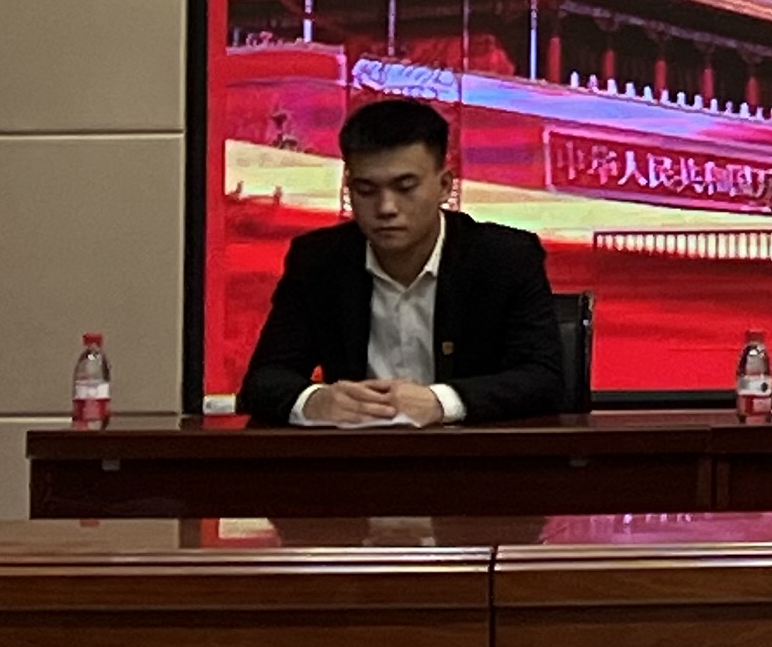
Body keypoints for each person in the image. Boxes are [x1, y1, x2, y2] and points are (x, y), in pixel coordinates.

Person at [237, 97, 566, 427]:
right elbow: (263, 381)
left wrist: (441, 402)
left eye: (405, 187)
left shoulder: (503, 257)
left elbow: (544, 380)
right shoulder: (320, 260)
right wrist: (315, 401)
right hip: (356, 449)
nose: (386, 208)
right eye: (366, 190)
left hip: (471, 451)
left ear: (444, 186)